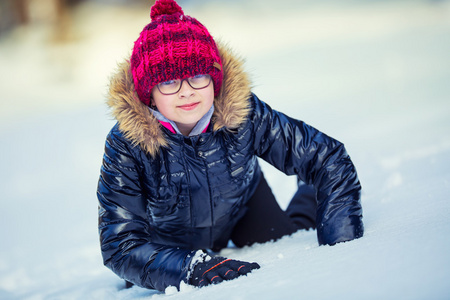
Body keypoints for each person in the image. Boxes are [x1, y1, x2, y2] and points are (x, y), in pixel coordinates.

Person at [97, 0, 363, 292]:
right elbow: (120, 245)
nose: (186, 91)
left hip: (241, 205)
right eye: (169, 81)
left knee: (290, 234)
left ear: (214, 79)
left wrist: (342, 248)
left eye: (198, 76)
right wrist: (191, 268)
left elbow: (328, 157)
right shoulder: (126, 144)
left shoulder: (243, 113)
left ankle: (308, 190)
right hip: (168, 241)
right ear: (149, 93)